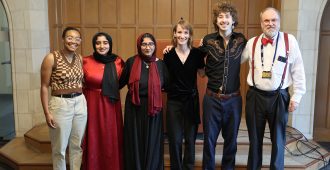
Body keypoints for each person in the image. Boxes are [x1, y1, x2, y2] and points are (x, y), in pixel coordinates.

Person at [242, 7, 306, 169]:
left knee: (278, 140)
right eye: (266, 20)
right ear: (261, 23)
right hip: (255, 96)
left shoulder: (289, 41)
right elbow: (233, 58)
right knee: (254, 139)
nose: (270, 24)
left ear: (279, 22)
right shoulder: (252, 43)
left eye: (274, 20)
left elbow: (298, 69)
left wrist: (297, 96)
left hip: (279, 97)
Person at [199, 2, 247, 170]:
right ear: (216, 20)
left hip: (233, 100)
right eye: (220, 16)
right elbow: (195, 60)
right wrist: (173, 46)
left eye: (227, 16)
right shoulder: (208, 40)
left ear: (233, 20)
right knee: (209, 140)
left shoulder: (241, 40)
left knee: (231, 140)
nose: (224, 19)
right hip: (212, 99)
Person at [40, 27, 87, 170]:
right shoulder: (51, 58)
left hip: (80, 102)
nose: (73, 41)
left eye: (77, 38)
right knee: (59, 149)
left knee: (76, 145)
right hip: (60, 103)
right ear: (63, 39)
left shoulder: (80, 58)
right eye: (70, 37)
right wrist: (47, 113)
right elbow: (43, 86)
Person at [120, 33, 169, 170]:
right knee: (134, 141)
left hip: (153, 108)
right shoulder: (131, 62)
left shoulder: (161, 64)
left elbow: (169, 85)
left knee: (152, 140)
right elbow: (119, 82)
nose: (148, 47)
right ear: (139, 46)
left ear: (155, 46)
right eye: (144, 44)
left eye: (151, 44)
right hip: (134, 107)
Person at [163, 18, 205, 170]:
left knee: (190, 138)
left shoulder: (196, 54)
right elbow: (164, 77)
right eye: (179, 32)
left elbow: (202, 74)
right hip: (174, 101)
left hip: (191, 100)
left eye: (185, 32)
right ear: (174, 34)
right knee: (174, 139)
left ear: (190, 35)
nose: (182, 35)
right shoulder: (168, 54)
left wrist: (205, 53)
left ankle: (189, 167)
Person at [82, 32, 125, 170]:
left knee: (110, 137)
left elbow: (126, 80)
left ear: (110, 44)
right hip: (92, 104)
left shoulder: (118, 61)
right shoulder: (85, 61)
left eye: (105, 42)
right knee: (94, 137)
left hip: (111, 106)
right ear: (94, 45)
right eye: (98, 43)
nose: (102, 46)